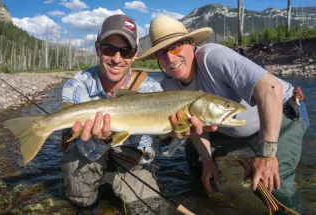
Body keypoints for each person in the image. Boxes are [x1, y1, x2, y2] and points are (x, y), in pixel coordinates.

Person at [138, 15, 309, 214]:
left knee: (274, 180)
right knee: (195, 154)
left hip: (281, 117)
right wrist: (208, 160)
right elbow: (196, 125)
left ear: (191, 44)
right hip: (235, 129)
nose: (170, 58)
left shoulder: (214, 57)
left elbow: (271, 89)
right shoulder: (169, 85)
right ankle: (211, 202)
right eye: (162, 53)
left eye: (175, 47)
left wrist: (266, 154)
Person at [60, 14, 165, 215]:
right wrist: (104, 139)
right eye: (110, 49)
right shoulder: (78, 85)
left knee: (151, 210)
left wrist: (171, 136)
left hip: (133, 165)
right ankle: (85, 204)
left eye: (126, 52)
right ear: (97, 48)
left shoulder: (152, 90)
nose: (117, 59)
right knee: (74, 165)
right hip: (87, 157)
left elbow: (162, 150)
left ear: (135, 54)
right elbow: (82, 146)